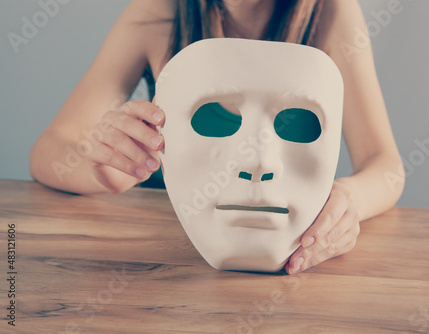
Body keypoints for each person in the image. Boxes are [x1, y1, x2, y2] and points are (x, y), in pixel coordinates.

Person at [30, 0, 405, 275]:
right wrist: (104, 167)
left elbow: (385, 164)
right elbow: (51, 149)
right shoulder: (158, 14)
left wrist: (349, 201)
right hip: (171, 259)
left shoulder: (331, 13)